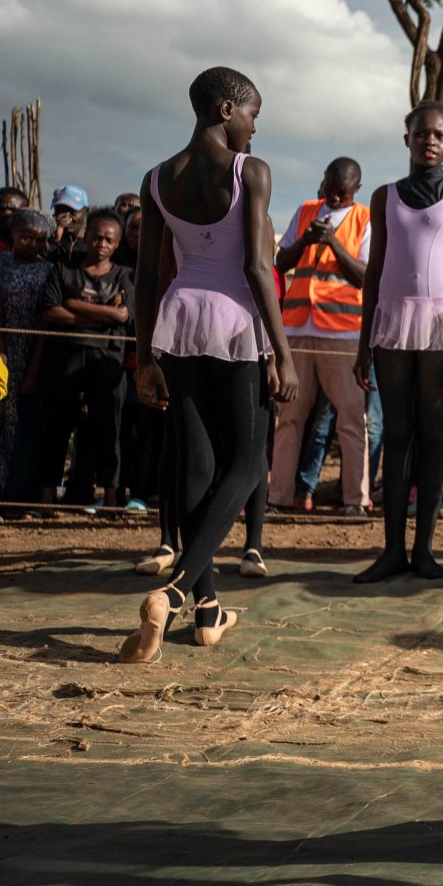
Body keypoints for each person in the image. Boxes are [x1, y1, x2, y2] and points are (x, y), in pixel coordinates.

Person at [119, 66, 297, 661]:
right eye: (253, 115)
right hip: (236, 320)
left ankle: (209, 610)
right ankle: (171, 595)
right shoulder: (249, 171)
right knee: (248, 461)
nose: (254, 129)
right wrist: (282, 352)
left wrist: (145, 358)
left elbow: (147, 276)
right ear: (227, 109)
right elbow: (255, 267)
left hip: (178, 319)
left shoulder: (156, 177)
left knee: (195, 464)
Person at [352, 104, 443, 582]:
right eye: (421, 133)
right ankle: (392, 551)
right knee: (397, 432)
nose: (430, 141)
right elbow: (376, 271)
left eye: (440, 135)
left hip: (440, 325)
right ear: (406, 138)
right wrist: (363, 341)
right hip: (391, 322)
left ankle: (424, 550)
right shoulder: (384, 196)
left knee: (433, 432)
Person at [270, 157, 372, 515]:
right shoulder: (305, 211)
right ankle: (278, 497)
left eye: (342, 193)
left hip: (343, 335)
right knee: (289, 419)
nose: (335, 197)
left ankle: (355, 501)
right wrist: (305, 241)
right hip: (297, 328)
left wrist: (334, 245)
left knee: (350, 420)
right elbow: (279, 264)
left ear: (355, 190)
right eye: (330, 190)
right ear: (324, 182)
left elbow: (366, 276)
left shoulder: (366, 219)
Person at [37, 207, 133, 509]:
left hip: (107, 363)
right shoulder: (64, 270)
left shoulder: (124, 276)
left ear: (116, 244)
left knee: (108, 429)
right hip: (64, 361)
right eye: (96, 237)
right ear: (86, 236)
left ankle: (112, 499)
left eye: (108, 240)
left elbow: (124, 314)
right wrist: (103, 318)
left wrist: (74, 304)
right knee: (56, 427)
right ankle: (47, 499)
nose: (101, 244)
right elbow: (51, 310)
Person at [0, 209, 56, 507]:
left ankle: (21, 492)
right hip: (3, 350)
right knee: (0, 423)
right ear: (12, 236)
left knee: (28, 426)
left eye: (40, 239)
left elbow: (45, 323)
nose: (33, 243)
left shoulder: (49, 270)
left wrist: (34, 368)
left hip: (33, 352)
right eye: (26, 236)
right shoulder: (1, 265)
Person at [48, 185, 90, 266]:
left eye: (72, 212)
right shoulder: (45, 238)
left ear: (86, 211)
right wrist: (56, 240)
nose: (66, 218)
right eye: (60, 211)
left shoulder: (92, 241)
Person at [0, 187, 27, 256]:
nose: (6, 213)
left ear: (26, 213)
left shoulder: (37, 245)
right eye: (0, 209)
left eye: (13, 210)